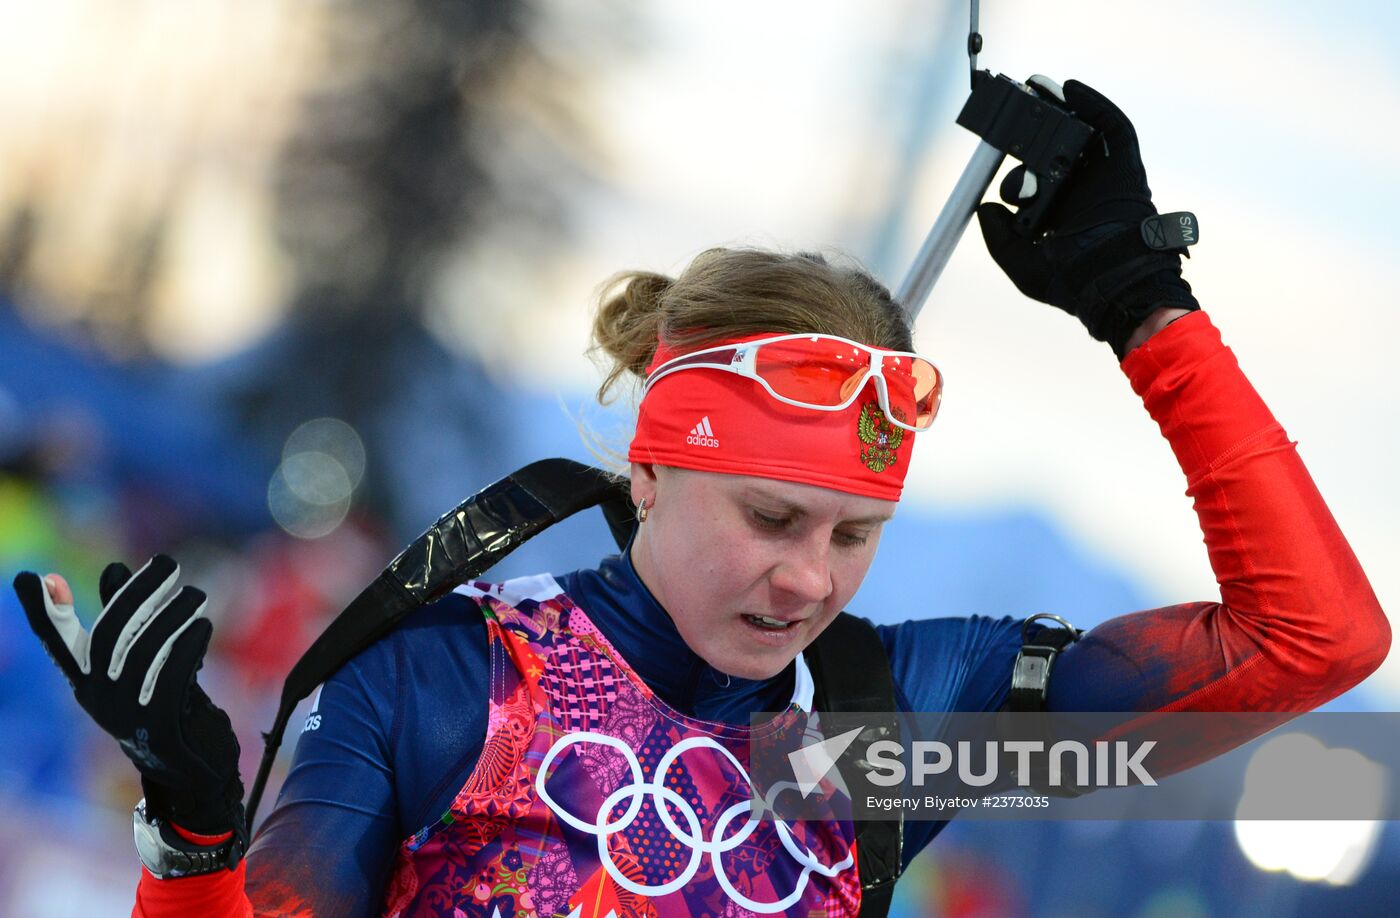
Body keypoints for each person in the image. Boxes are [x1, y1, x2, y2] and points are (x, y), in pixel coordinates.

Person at [12, 78, 1389, 917]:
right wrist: (194, 843)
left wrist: (1144, 306)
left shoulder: (880, 726)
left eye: (856, 533)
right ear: (654, 468)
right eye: (771, 517)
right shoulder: (434, 677)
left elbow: (1315, 641)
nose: (810, 580)